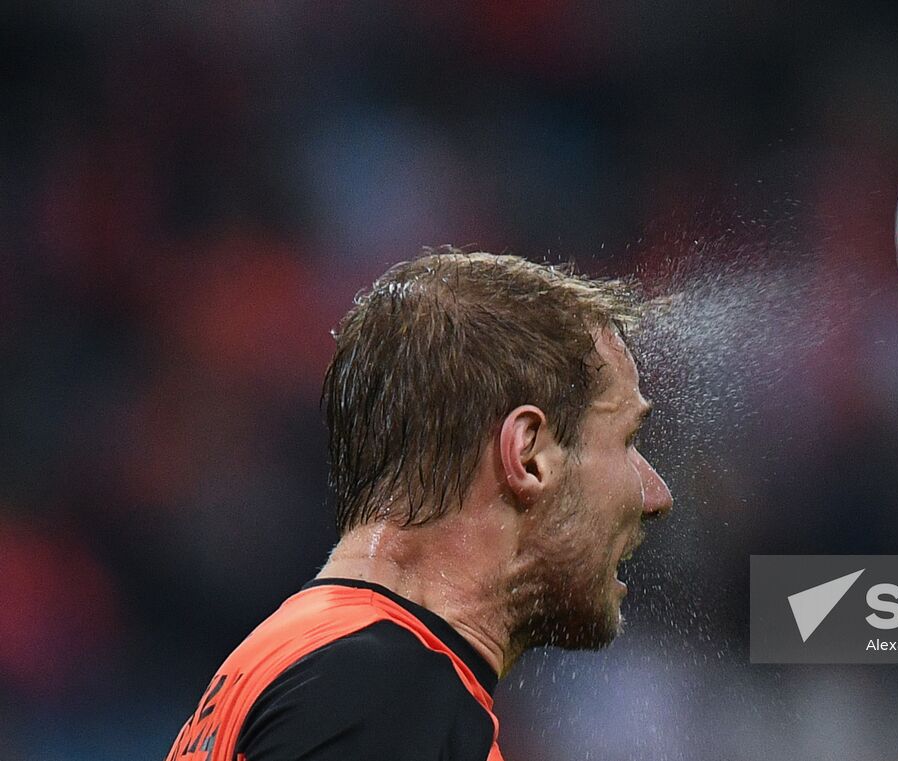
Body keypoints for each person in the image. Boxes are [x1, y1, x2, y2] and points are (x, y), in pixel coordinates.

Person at [165, 249, 674, 761]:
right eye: (628, 440)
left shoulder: (300, 658)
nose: (656, 496)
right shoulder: (384, 692)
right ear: (529, 454)